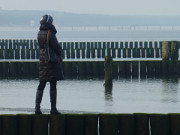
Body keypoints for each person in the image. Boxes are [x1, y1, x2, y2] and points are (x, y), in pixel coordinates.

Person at [35, 14, 63, 114]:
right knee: (53, 84)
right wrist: (60, 55)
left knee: (42, 83)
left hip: (42, 59)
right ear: (49, 22)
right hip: (51, 60)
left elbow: (41, 45)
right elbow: (55, 46)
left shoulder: (39, 32)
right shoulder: (50, 33)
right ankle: (53, 109)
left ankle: (37, 108)